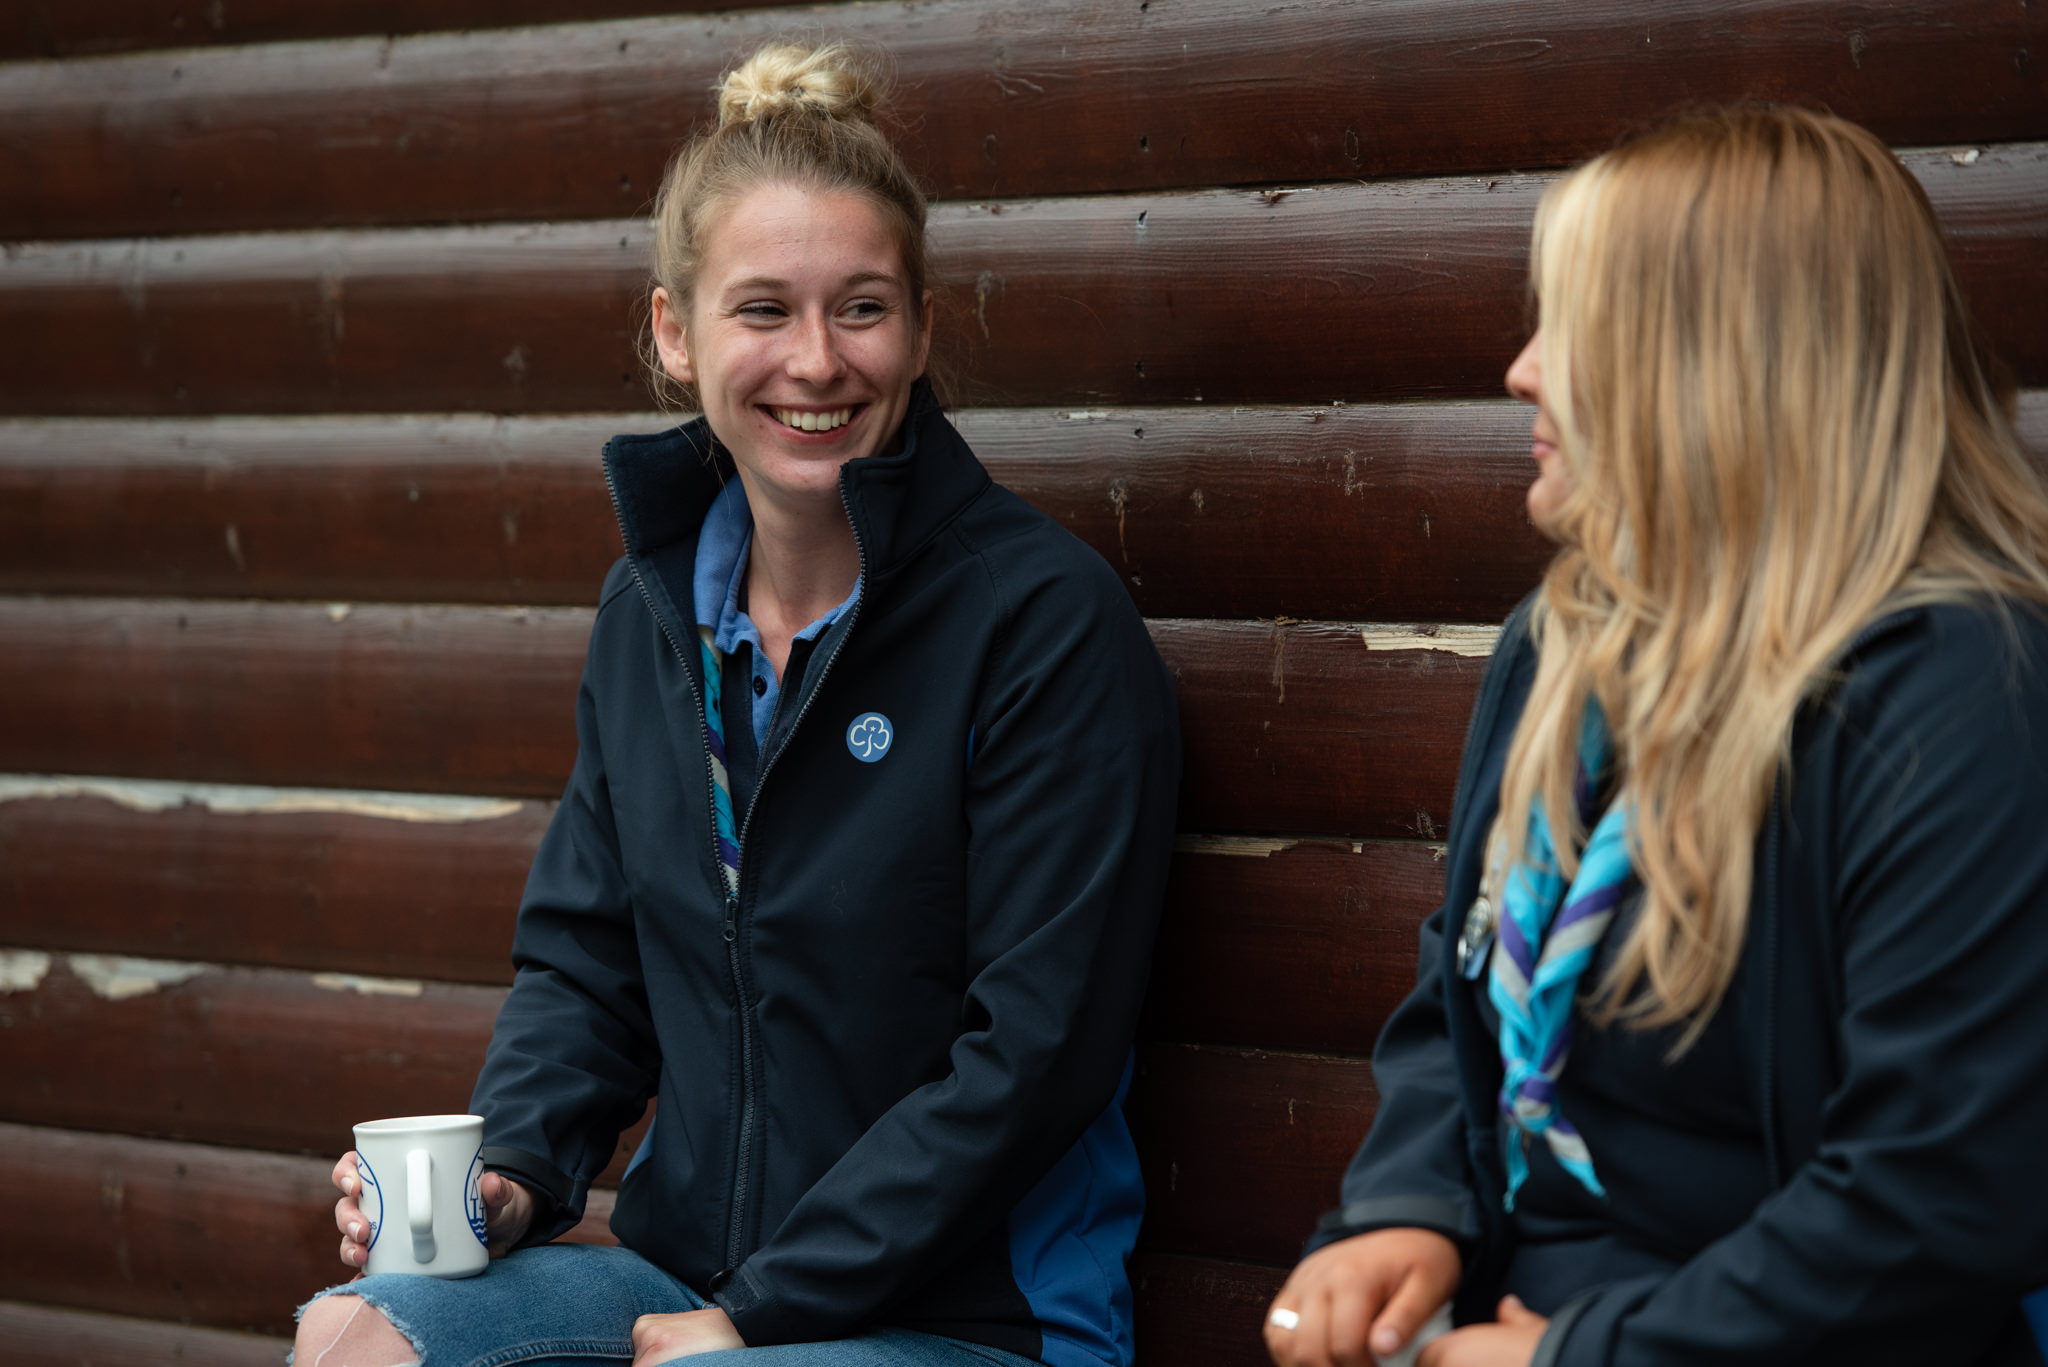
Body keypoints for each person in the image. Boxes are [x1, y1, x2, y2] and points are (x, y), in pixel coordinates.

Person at [292, 41, 1180, 1367]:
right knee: (361, 1334)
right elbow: (587, 966)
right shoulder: (648, 618)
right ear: (675, 330)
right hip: (688, 1271)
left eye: (862, 308)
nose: (815, 362)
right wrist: (516, 1170)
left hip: (971, 1313)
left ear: (924, 328)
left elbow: (1032, 1058)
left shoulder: (1041, 624)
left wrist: (758, 1316)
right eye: (763, 308)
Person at [1264, 106, 2048, 1367]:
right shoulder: (1563, 637)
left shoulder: (1964, 691)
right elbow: (1457, 982)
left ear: (1715, 364)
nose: (1522, 368)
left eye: (1573, 329)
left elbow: (1937, 1200)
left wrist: (1578, 1356)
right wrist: (1406, 1211)